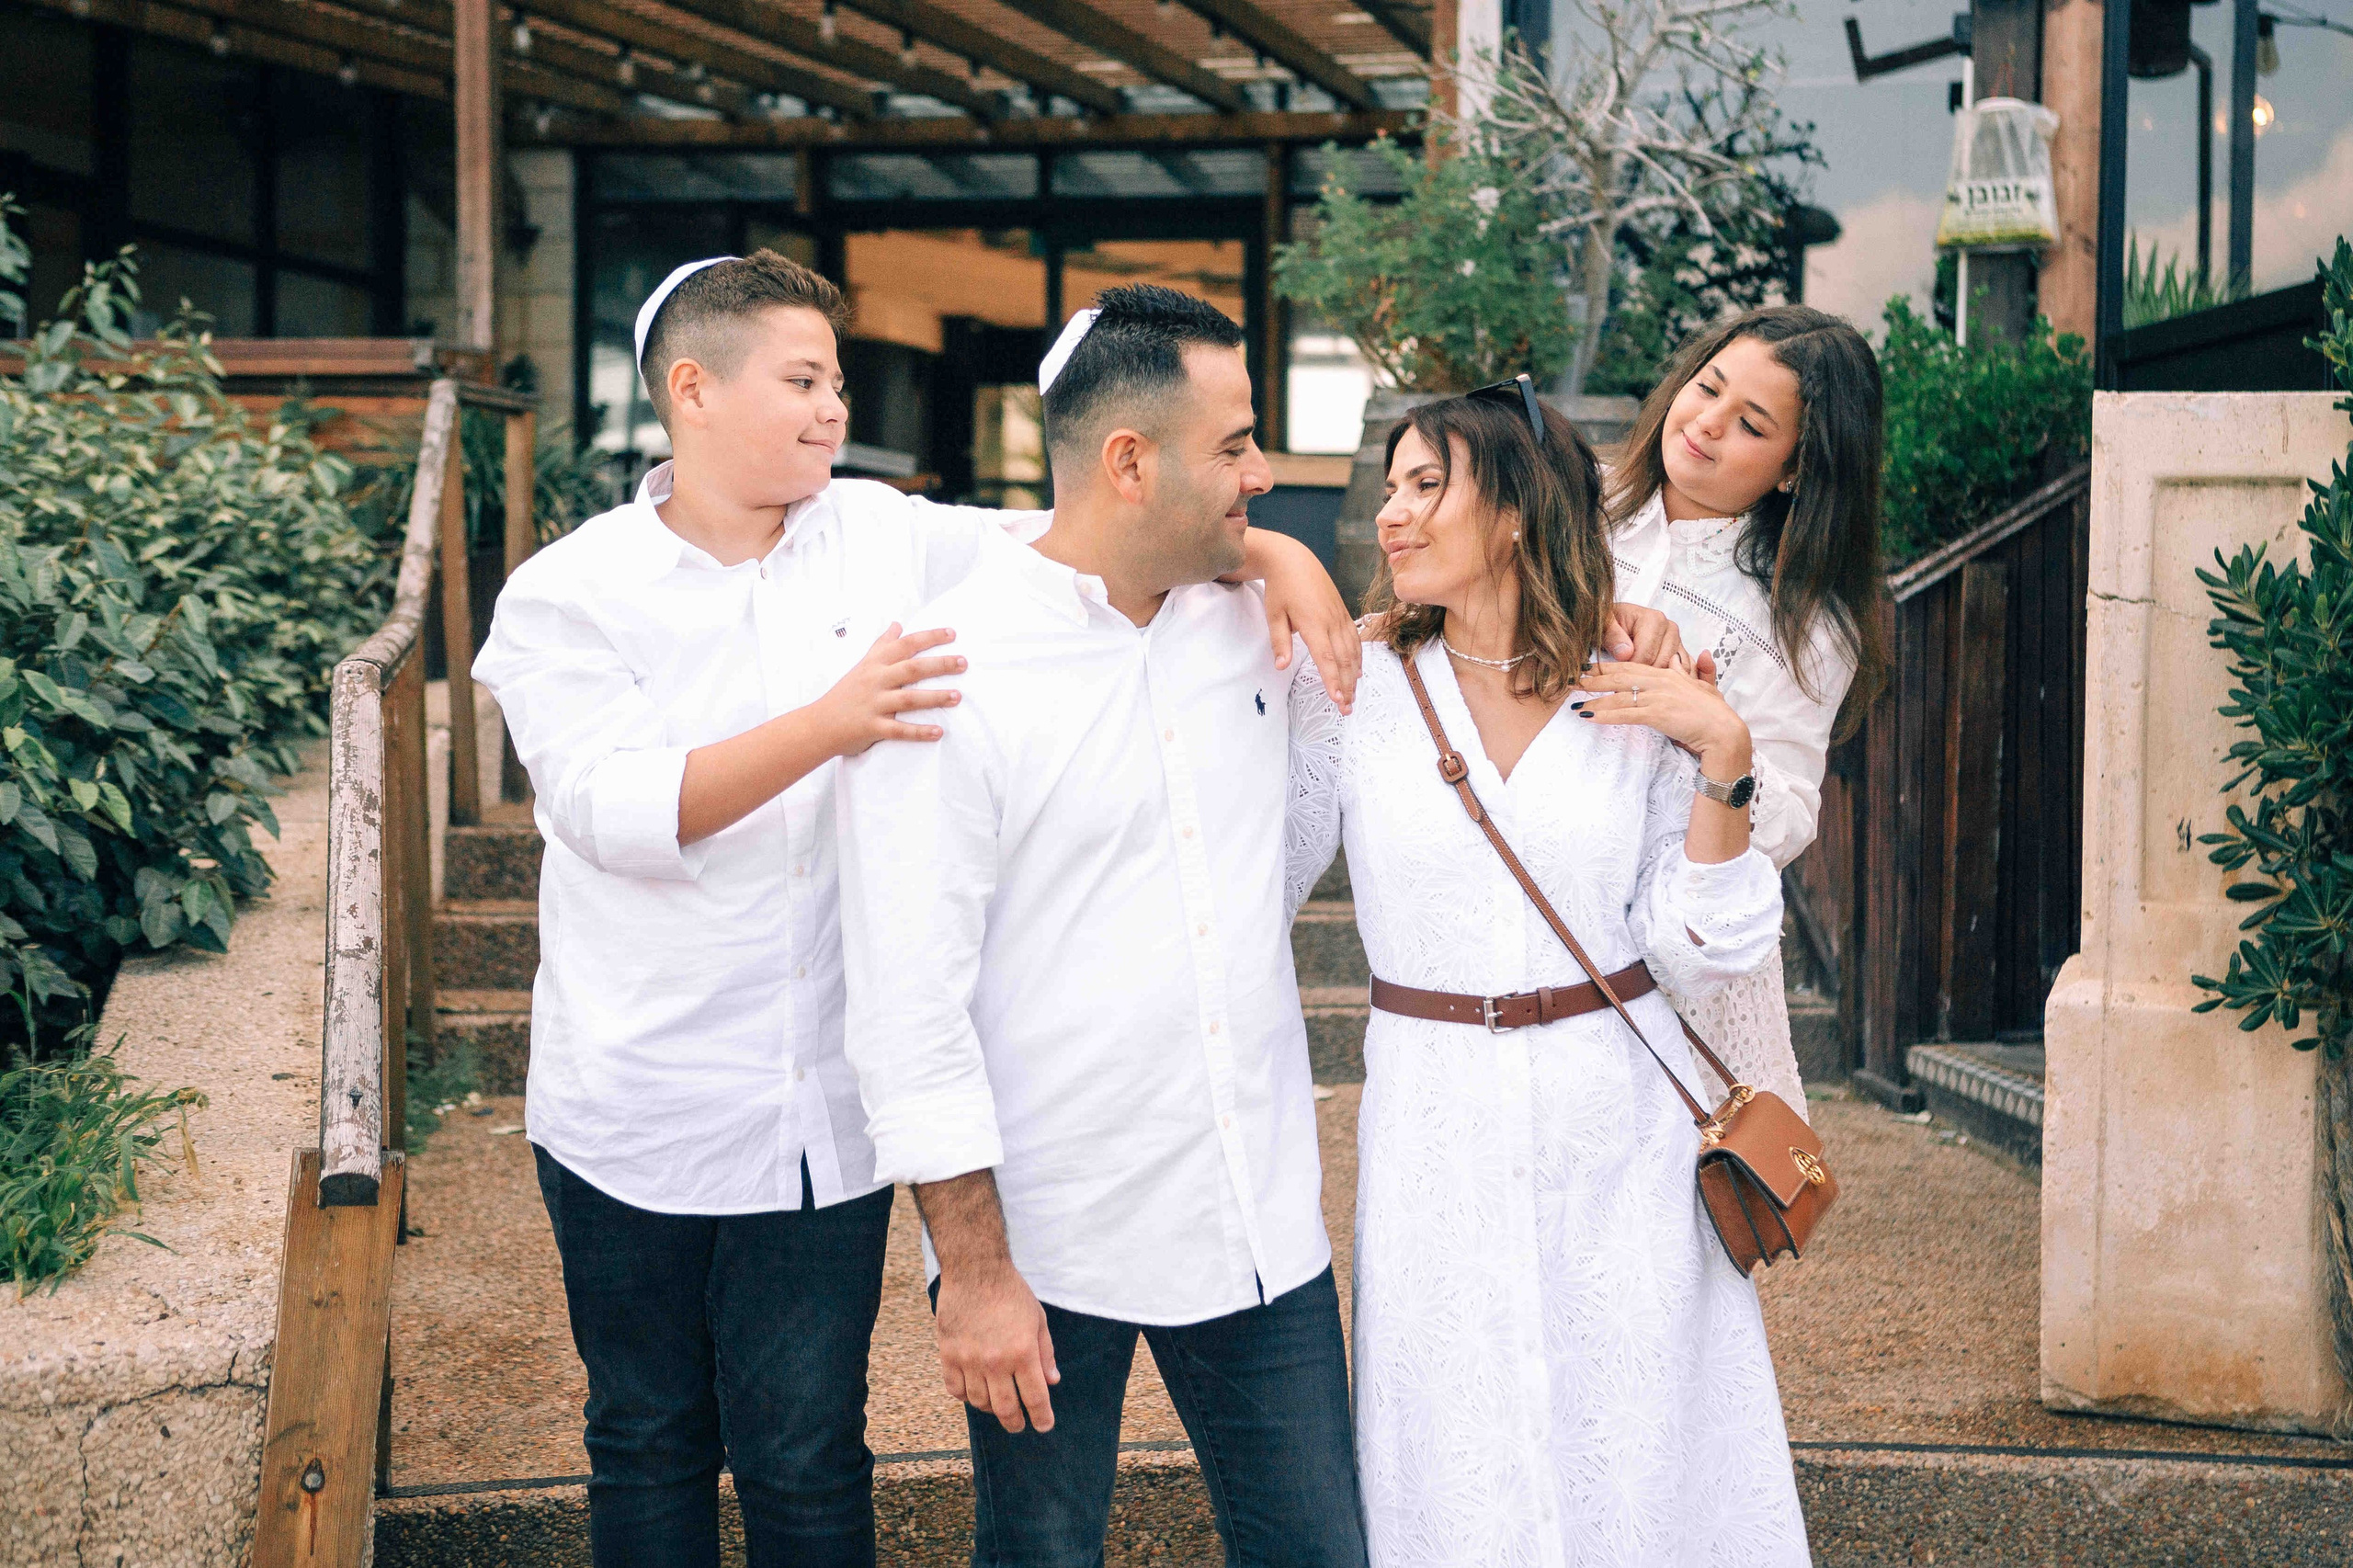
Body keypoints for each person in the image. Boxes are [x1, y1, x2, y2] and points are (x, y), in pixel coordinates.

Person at [472, 253, 1360, 1568]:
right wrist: (831, 722)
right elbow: (609, 810)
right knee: (647, 1433)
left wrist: (1276, 545)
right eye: (804, 379)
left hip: (821, 1109)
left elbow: (1073, 531)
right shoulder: (572, 589)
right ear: (693, 390)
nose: (835, 406)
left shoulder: (880, 531)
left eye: (837, 378)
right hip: (640, 1087)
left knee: (808, 1447)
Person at [1284, 389, 1810, 1566]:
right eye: (1392, 487)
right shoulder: (1351, 689)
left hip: (1618, 1117)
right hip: (1435, 1124)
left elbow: (1697, 944)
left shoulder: (1632, 685)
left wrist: (1722, 752)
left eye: (1429, 486)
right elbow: (1261, 874)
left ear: (1517, 510)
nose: (1392, 515)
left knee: (1641, 1443)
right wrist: (1269, 559)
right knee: (1456, 1436)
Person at [1592, 304, 1891, 1114]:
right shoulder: (1577, 506)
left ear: (1797, 467)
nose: (1707, 425)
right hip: (1535, 886)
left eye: (1752, 424)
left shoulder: (1807, 621)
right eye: (1708, 388)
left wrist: (1716, 739)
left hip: (1668, 951)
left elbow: (1789, 819)